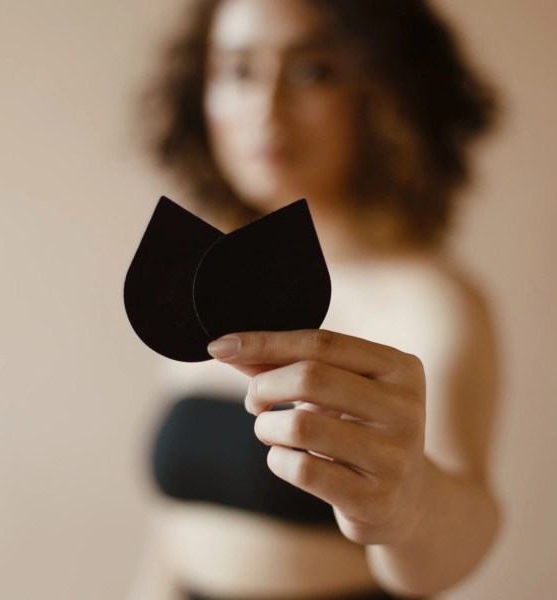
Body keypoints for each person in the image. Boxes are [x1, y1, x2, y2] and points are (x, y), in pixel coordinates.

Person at [129, 1, 501, 599]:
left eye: (312, 71)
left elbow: (466, 528)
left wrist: (411, 505)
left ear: (379, 92)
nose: (266, 109)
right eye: (238, 70)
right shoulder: (197, 286)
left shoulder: (429, 304)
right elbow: (174, 538)